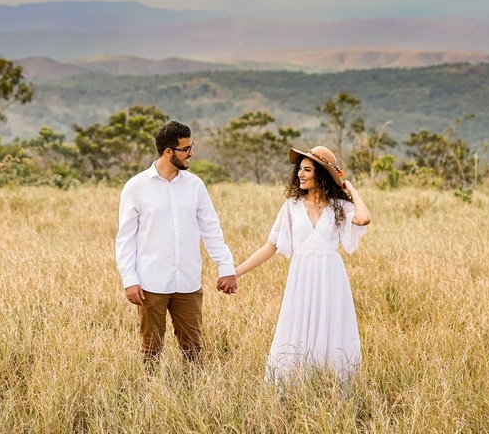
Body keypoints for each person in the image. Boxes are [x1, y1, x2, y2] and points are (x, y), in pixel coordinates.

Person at [235, 145, 371, 385]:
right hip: (302, 276)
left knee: (331, 328)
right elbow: (270, 246)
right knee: (296, 326)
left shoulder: (339, 207)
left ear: (321, 174)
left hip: (331, 276)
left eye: (308, 169)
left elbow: (363, 218)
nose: (300, 174)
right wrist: (235, 272)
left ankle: (331, 385)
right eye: (300, 169)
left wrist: (350, 188)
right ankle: (293, 387)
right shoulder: (291, 206)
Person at [115, 120, 238, 367]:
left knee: (193, 347)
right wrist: (130, 279)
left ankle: (195, 398)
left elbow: (212, 229)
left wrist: (227, 268)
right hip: (150, 282)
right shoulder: (136, 187)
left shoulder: (195, 185)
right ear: (168, 152)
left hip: (188, 281)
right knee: (151, 349)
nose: (191, 153)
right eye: (186, 149)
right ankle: (150, 397)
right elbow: (125, 238)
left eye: (191, 147)